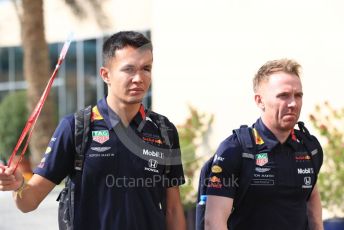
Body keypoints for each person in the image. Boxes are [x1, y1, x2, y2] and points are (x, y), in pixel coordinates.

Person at [0, 31, 186, 230]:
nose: (139, 78)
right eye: (129, 69)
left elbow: (173, 209)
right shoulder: (76, 128)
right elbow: (29, 201)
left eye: (146, 68)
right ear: (106, 75)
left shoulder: (163, 130)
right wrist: (18, 185)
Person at [204, 59, 323, 230]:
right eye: (283, 95)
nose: (293, 104)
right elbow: (214, 222)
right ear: (259, 101)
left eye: (298, 96)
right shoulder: (236, 149)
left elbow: (313, 206)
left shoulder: (309, 148)